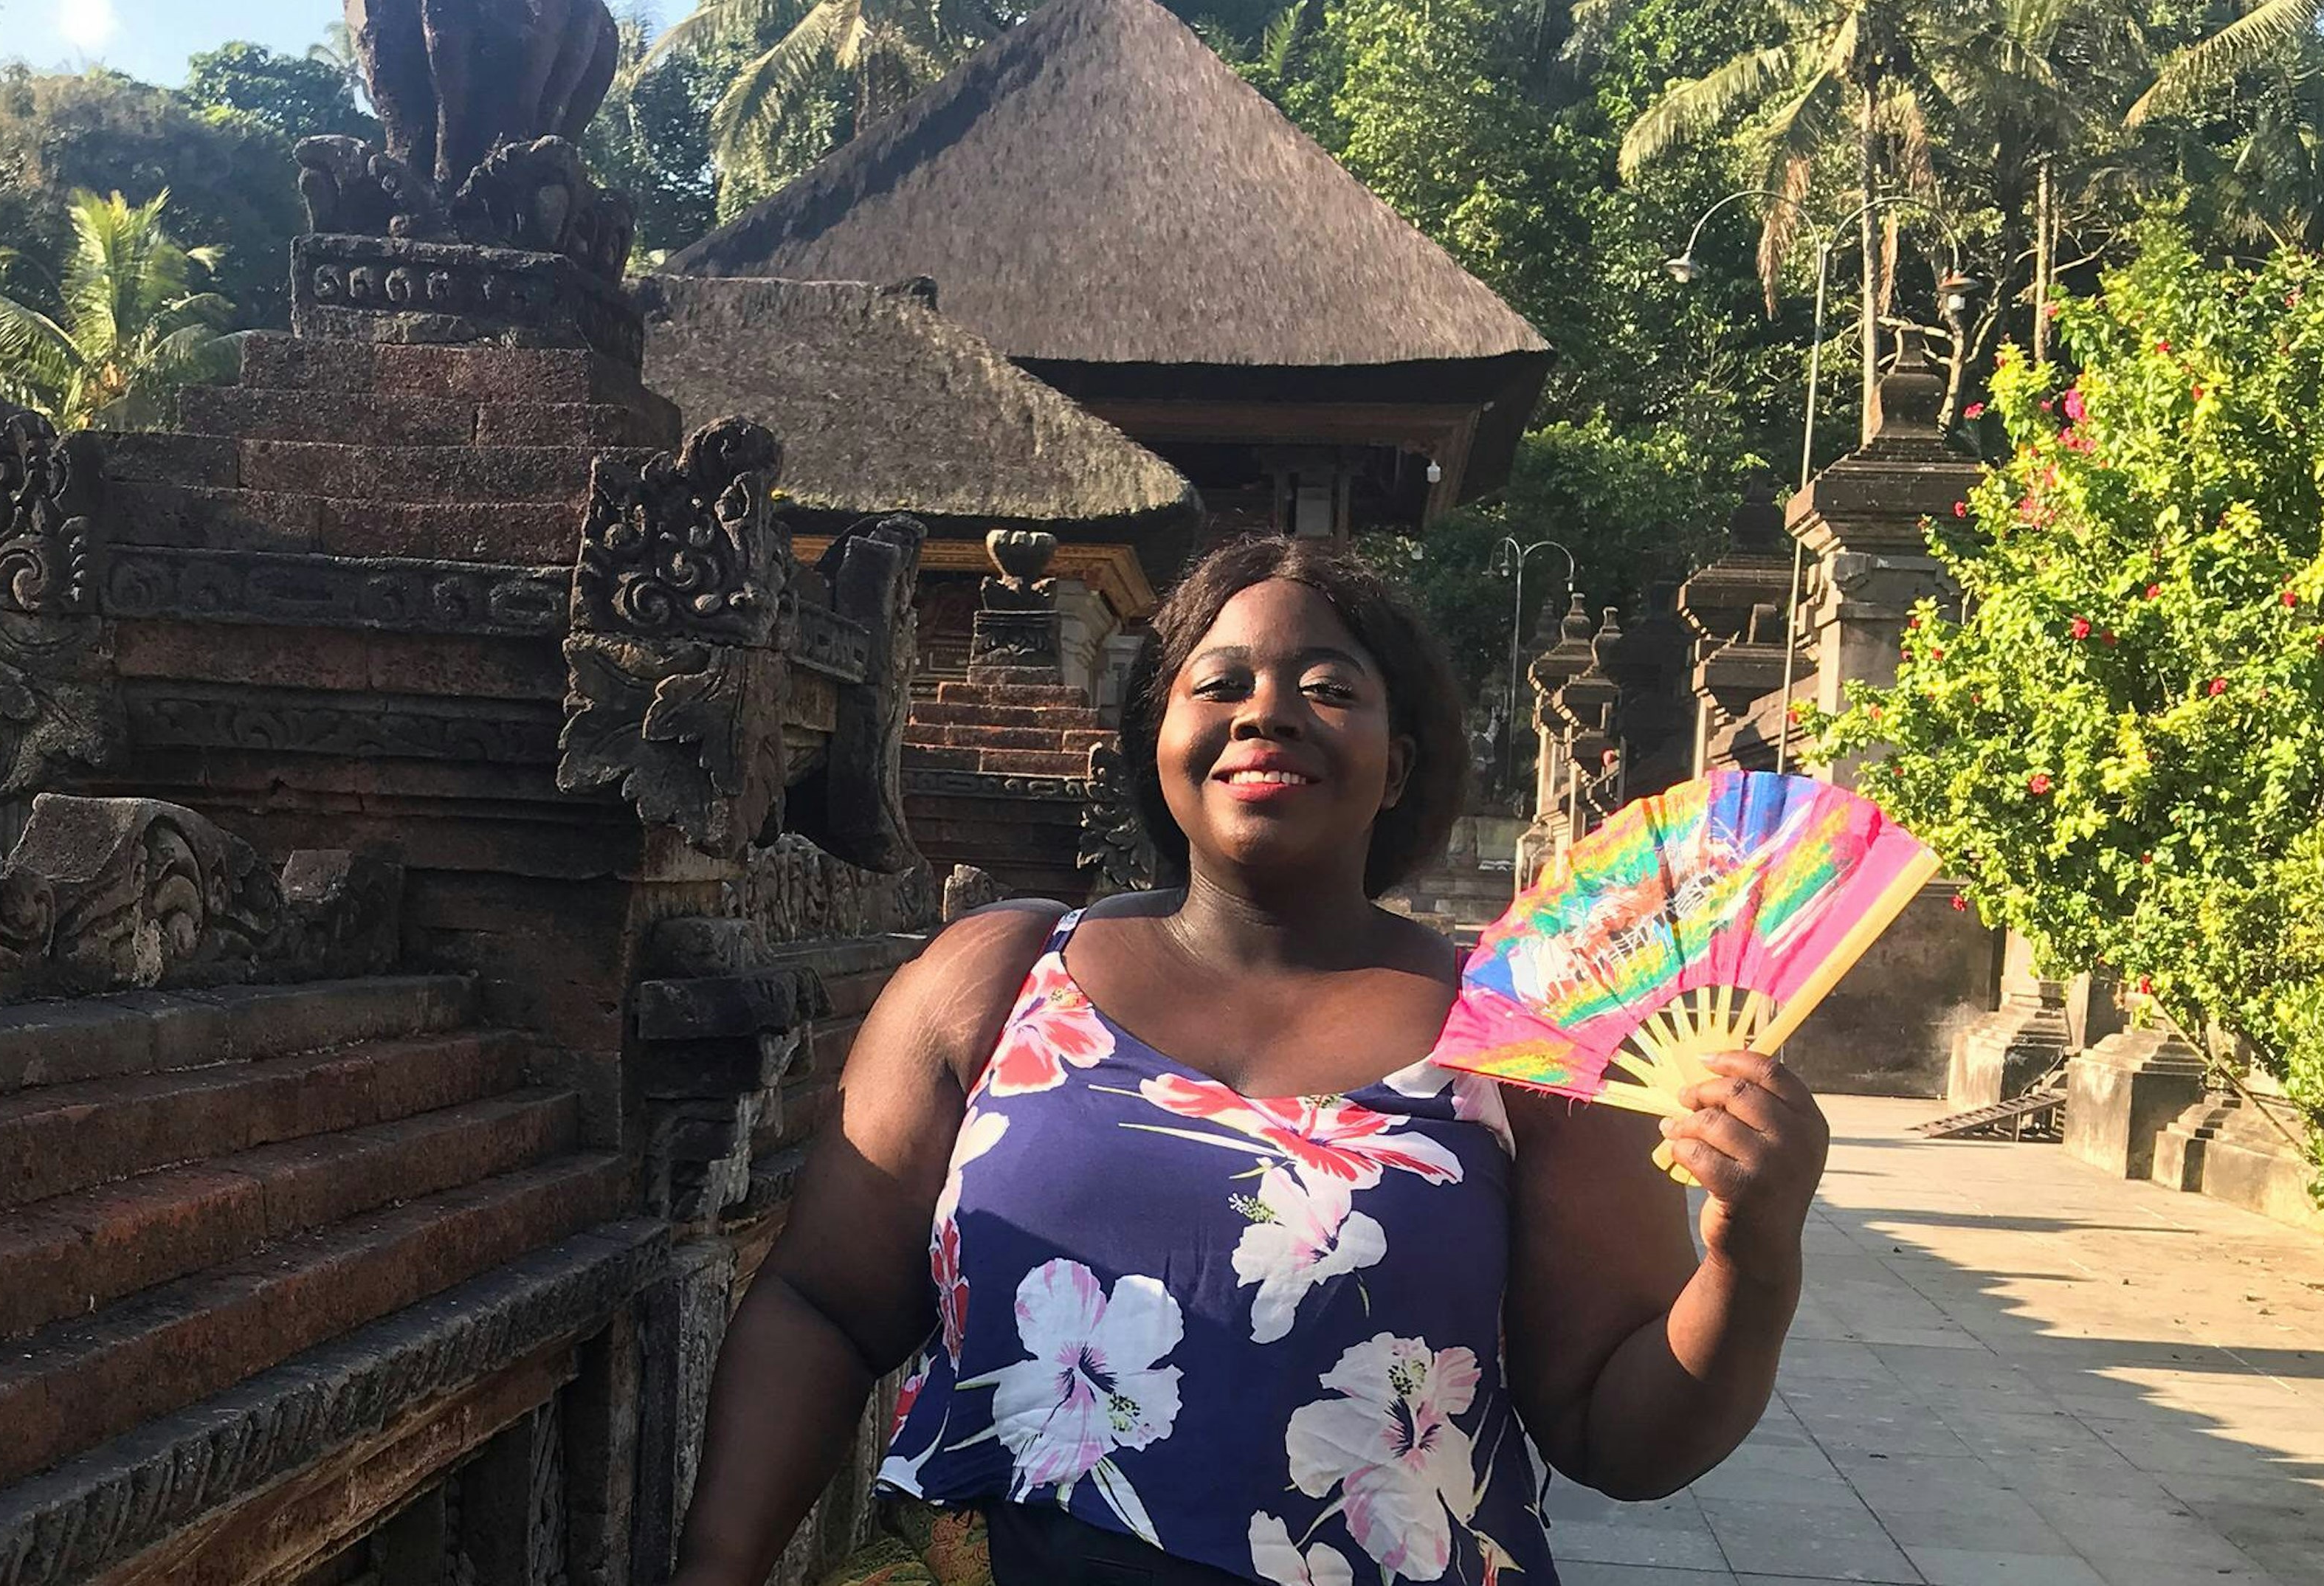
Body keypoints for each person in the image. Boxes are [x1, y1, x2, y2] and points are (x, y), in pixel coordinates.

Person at [673, 534, 1829, 1586]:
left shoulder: (1520, 1039)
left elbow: (1615, 1432)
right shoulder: (998, 978)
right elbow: (821, 1305)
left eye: (1328, 688)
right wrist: (715, 1569)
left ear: (1402, 758)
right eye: (1220, 682)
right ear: (1159, 735)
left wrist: (1753, 1260)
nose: (1267, 711)